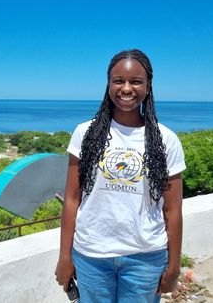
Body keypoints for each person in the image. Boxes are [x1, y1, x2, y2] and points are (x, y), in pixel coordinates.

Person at [55, 49, 186, 303]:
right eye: (119, 81)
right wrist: (64, 257)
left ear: (148, 86)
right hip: (91, 255)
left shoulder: (166, 140)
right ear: (108, 84)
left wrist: (174, 266)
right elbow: (72, 199)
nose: (127, 88)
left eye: (136, 81)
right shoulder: (85, 133)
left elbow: (173, 210)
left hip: (145, 257)